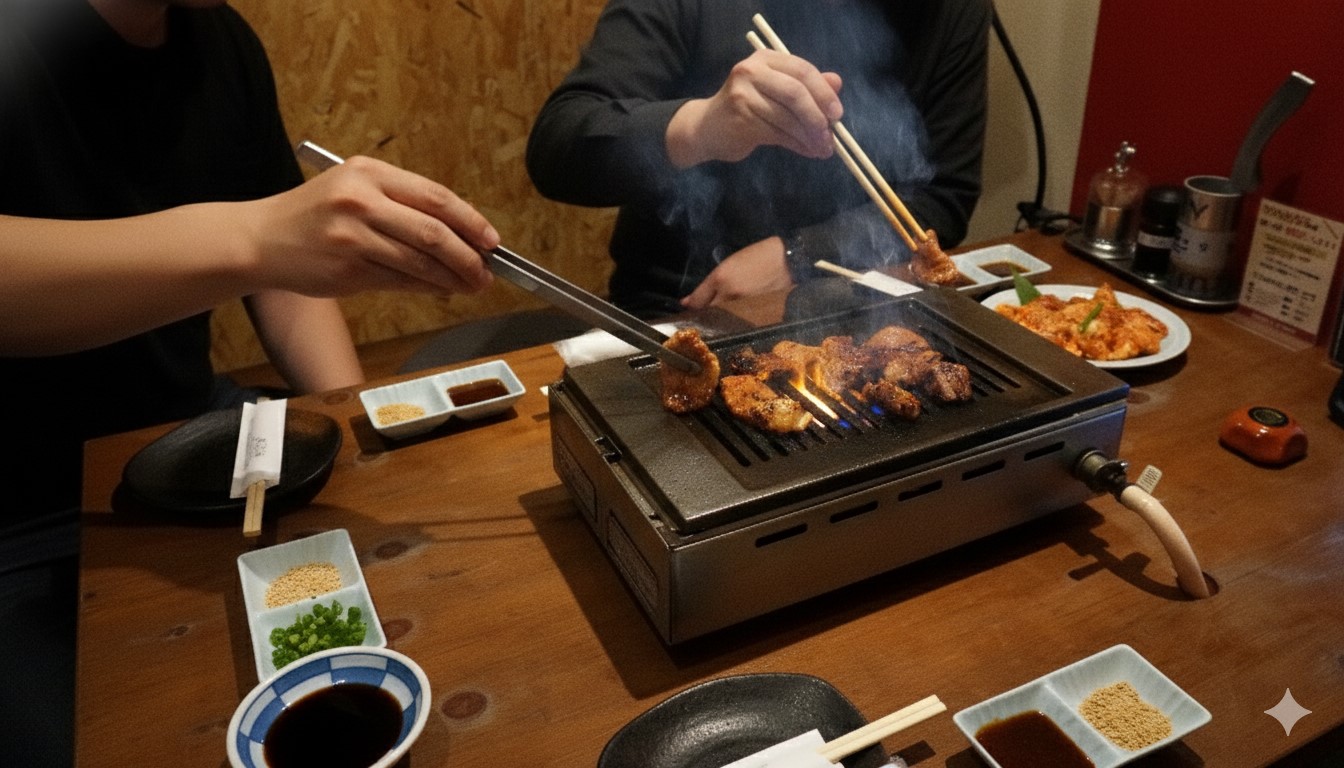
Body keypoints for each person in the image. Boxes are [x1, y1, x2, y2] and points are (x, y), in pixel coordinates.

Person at [0, 0, 500, 764]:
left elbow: (280, 276)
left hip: (188, 443)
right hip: (25, 512)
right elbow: (260, 241)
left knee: (448, 621)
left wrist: (353, 420)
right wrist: (255, 236)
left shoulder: (218, 37)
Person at [526, 0, 990, 319]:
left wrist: (799, 256)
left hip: (860, 304)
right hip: (686, 308)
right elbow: (559, 145)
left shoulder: (948, 9)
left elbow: (943, 197)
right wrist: (700, 127)